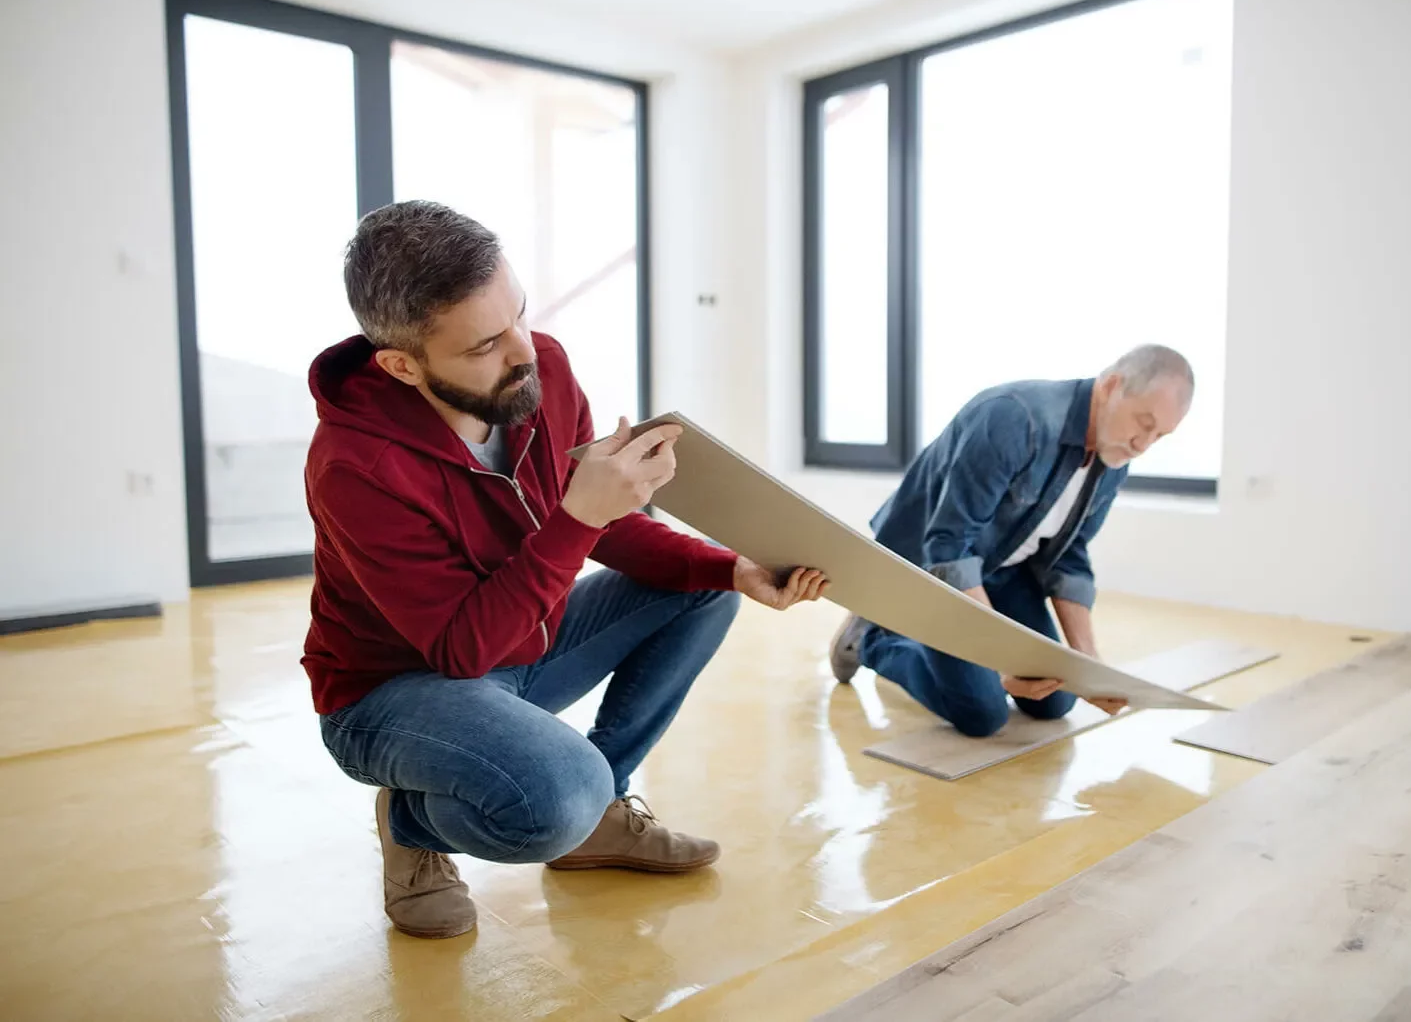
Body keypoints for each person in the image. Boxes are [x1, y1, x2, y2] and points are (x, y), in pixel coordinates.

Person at [303, 200, 828, 939]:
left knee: (700, 592)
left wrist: (735, 568)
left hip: (519, 645)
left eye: (518, 313)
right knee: (553, 797)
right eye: (485, 343)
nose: (523, 349)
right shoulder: (355, 465)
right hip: (392, 693)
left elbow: (611, 535)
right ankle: (413, 821)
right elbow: (462, 651)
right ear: (400, 364)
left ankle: (600, 817)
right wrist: (578, 516)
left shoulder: (538, 367)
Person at [830, 346, 1194, 737]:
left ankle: (960, 653)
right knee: (983, 713)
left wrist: (1090, 666)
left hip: (1002, 569)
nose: (1144, 444)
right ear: (1111, 386)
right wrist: (1002, 663)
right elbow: (950, 547)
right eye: (1144, 422)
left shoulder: (1115, 457)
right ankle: (873, 637)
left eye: (1160, 436)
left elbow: (1069, 555)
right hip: (925, 568)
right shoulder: (1013, 418)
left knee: (1055, 699)